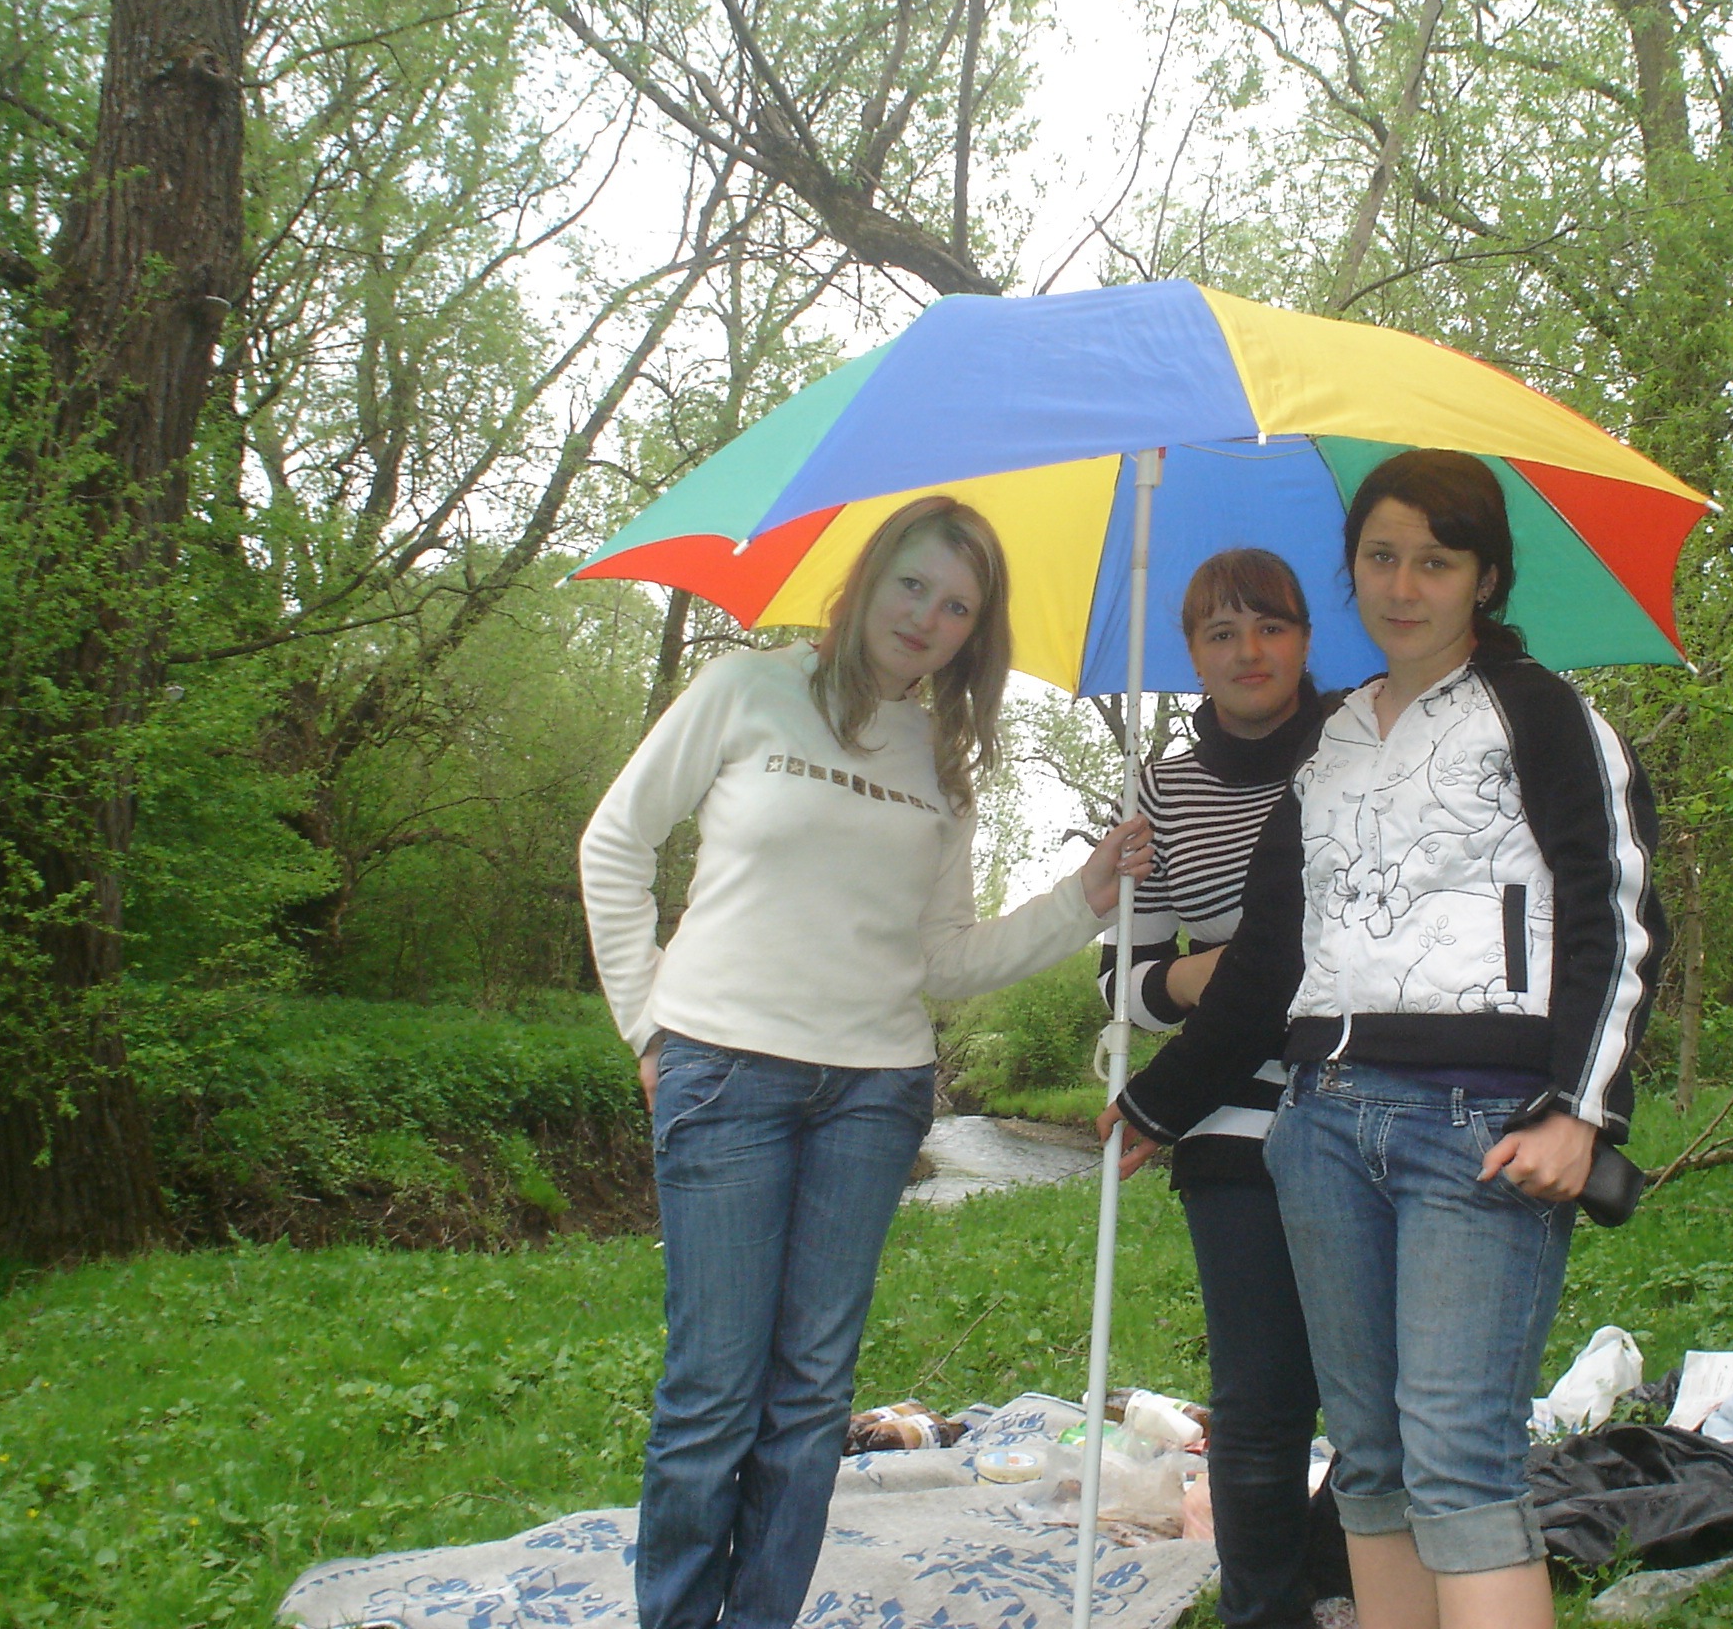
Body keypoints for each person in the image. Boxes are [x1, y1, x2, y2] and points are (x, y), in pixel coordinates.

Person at [1103, 452, 1666, 1629]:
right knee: (1369, 1458)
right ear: (1351, 569)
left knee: (1458, 1458)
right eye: (1380, 557)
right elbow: (1270, 955)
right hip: (1320, 1130)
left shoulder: (1542, 713)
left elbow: (1613, 916)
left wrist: (1581, 1110)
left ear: (1485, 577)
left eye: (1435, 561)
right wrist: (1159, 1102)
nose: (1403, 586)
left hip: (1478, 1128)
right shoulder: (1335, 741)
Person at [580, 495, 1151, 1629]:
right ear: (867, 578)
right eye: (913, 584)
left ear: (973, 634)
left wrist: (1084, 897)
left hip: (874, 1096)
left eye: (958, 607)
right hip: (723, 1072)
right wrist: (648, 1024)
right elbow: (616, 842)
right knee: (712, 1391)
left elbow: (944, 960)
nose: (927, 617)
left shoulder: (942, 762)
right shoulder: (746, 688)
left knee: (808, 1399)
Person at [1091, 549, 1351, 1629]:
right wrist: (1217, 976)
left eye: (1271, 627)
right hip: (1225, 1101)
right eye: (1221, 633)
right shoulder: (1162, 789)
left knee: (1382, 1391)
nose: (1249, 653)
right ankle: (1264, 1611)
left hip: (1366, 1091)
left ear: (1306, 639)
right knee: (1260, 1397)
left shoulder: (1366, 742)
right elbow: (1124, 985)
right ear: (1191, 654)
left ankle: (1342, 1571)